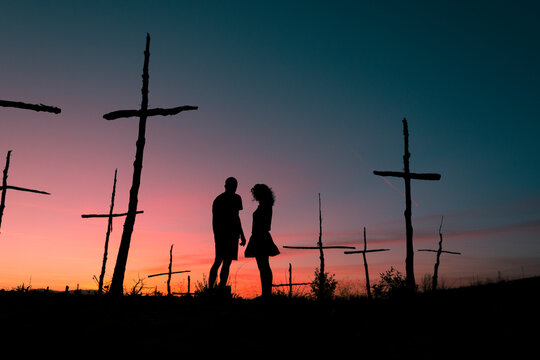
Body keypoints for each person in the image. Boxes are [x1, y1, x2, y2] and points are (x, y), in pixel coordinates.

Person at [209, 177, 246, 290]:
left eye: (235, 186)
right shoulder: (219, 200)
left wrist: (242, 235)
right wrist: (217, 236)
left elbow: (237, 217)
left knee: (227, 262)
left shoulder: (237, 198)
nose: (233, 188)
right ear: (225, 186)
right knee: (218, 260)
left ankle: (221, 287)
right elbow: (215, 221)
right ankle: (210, 288)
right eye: (231, 186)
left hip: (233, 235)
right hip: (221, 235)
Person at [245, 184, 279, 297]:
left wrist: (258, 234)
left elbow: (266, 224)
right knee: (263, 266)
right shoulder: (264, 205)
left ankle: (266, 294)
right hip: (258, 236)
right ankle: (265, 293)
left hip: (261, 237)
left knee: (264, 266)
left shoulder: (266, 205)